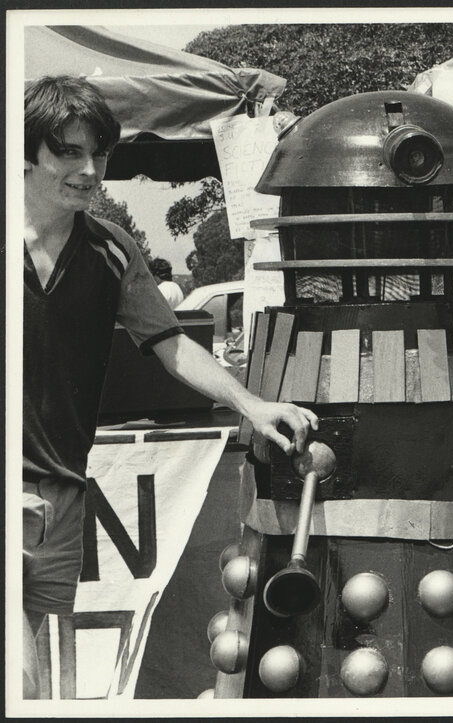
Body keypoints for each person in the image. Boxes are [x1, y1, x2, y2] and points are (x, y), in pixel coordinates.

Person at [22, 75, 319, 699]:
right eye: (69, 152)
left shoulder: (111, 248)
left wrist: (250, 402)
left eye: (99, 153)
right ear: (25, 153)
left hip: (65, 502)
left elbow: (173, 344)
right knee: (18, 679)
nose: (90, 170)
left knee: (50, 685)